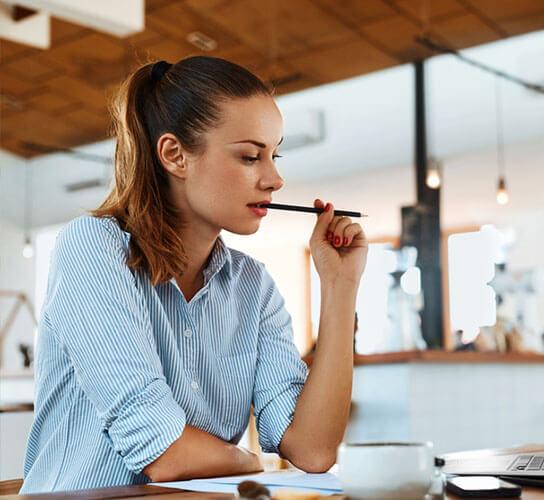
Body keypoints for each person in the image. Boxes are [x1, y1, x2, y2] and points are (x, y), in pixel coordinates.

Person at [20, 56, 368, 493]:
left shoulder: (253, 287)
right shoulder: (93, 247)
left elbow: (312, 450)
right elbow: (164, 453)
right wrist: (246, 460)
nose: (275, 178)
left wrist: (340, 287)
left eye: (274, 155)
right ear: (175, 155)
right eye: (249, 156)